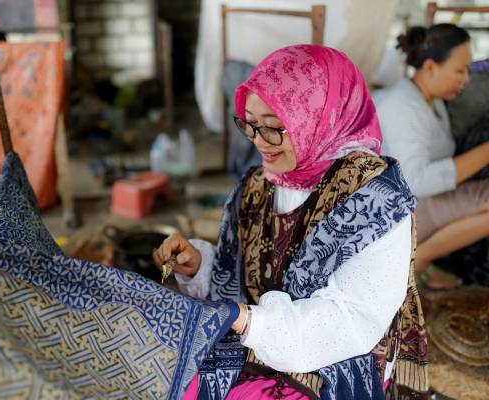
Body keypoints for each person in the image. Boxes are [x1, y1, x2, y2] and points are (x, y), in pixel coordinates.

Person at [154, 45, 427, 400]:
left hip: (333, 361)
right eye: (249, 125)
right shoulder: (258, 185)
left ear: (317, 117)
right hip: (257, 343)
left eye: (272, 128)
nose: (258, 142)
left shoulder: (372, 196)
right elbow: (239, 278)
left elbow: (351, 321)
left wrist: (252, 322)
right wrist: (199, 266)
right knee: (164, 378)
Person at [376, 24, 489, 289]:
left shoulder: (431, 100)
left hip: (422, 202)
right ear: (429, 67)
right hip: (398, 213)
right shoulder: (403, 106)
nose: (466, 79)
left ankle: (421, 258)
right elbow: (414, 182)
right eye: (460, 71)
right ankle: (418, 259)